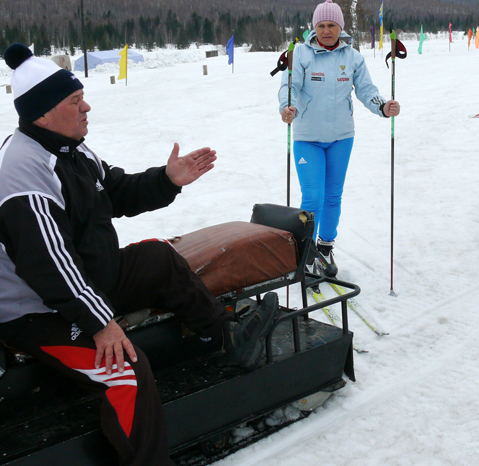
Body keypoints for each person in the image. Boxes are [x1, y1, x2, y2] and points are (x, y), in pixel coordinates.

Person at [0, 44, 280, 466]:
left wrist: (167, 179)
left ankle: (227, 338)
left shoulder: (71, 148)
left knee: (157, 258)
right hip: (39, 310)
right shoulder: (21, 172)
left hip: (82, 282)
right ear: (43, 113)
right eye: (75, 101)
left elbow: (115, 191)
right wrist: (101, 324)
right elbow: (49, 266)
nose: (86, 107)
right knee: (127, 371)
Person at [279, 0, 400, 277]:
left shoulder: (353, 57)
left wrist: (382, 106)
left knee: (333, 195)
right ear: (314, 27)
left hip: (341, 138)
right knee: (313, 196)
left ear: (340, 27)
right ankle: (305, 251)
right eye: (321, 25)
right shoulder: (302, 54)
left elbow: (366, 90)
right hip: (308, 138)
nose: (326, 30)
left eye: (331, 25)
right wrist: (287, 107)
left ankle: (324, 248)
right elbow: (289, 86)